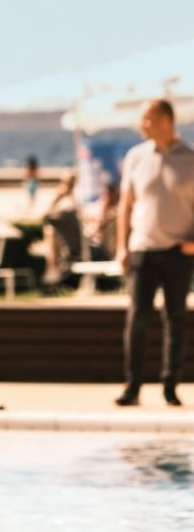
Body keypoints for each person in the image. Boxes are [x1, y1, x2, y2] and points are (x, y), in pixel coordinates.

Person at [114, 99, 194, 406]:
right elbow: (125, 205)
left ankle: (170, 386)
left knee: (175, 319)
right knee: (138, 318)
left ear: (165, 121)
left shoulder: (190, 158)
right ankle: (132, 387)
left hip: (178, 251)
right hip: (142, 249)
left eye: (147, 118)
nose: (141, 124)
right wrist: (122, 246)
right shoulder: (136, 157)